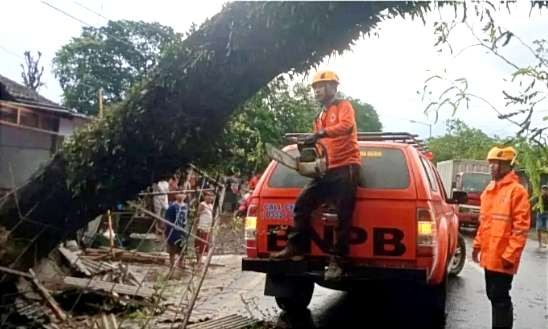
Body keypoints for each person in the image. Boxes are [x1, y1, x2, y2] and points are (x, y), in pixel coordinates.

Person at [270, 70, 361, 281]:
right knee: (302, 203)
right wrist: (309, 144)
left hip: (346, 167)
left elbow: (346, 127)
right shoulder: (319, 116)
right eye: (315, 88)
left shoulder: (343, 106)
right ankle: (296, 248)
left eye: (321, 87)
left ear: (333, 87)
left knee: (342, 216)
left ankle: (337, 261)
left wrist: (320, 133)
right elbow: (321, 145)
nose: (317, 91)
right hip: (326, 169)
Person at [472, 146, 530, 329]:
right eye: (490, 163)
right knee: (493, 294)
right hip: (490, 255)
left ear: (506, 165)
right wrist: (476, 246)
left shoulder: (517, 191)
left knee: (500, 297)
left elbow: (520, 228)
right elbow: (485, 223)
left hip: (504, 257)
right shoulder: (490, 189)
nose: (491, 167)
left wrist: (510, 255)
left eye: (495, 163)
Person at [164, 193, 188, 268]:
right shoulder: (172, 207)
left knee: (182, 248)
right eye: (179, 194)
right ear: (176, 196)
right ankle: (172, 264)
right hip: (173, 231)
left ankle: (181, 263)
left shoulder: (186, 206)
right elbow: (167, 219)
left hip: (182, 230)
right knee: (172, 249)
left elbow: (186, 218)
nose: (181, 196)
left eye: (183, 194)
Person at [195, 191, 215, 264]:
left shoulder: (211, 205)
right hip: (202, 228)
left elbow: (211, 216)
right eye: (208, 196)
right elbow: (197, 215)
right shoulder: (202, 204)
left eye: (211, 196)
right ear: (204, 197)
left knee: (205, 246)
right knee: (199, 245)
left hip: (208, 228)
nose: (210, 197)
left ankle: (200, 261)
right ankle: (199, 262)